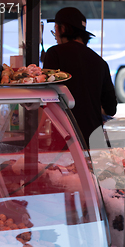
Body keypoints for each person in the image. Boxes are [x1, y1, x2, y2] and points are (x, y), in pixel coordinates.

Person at [43, 7, 117, 149]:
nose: (56, 36)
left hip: (65, 141)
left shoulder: (54, 54)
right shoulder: (100, 63)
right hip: (95, 143)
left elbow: (46, 98)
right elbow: (111, 109)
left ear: (62, 29)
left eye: (55, 30)